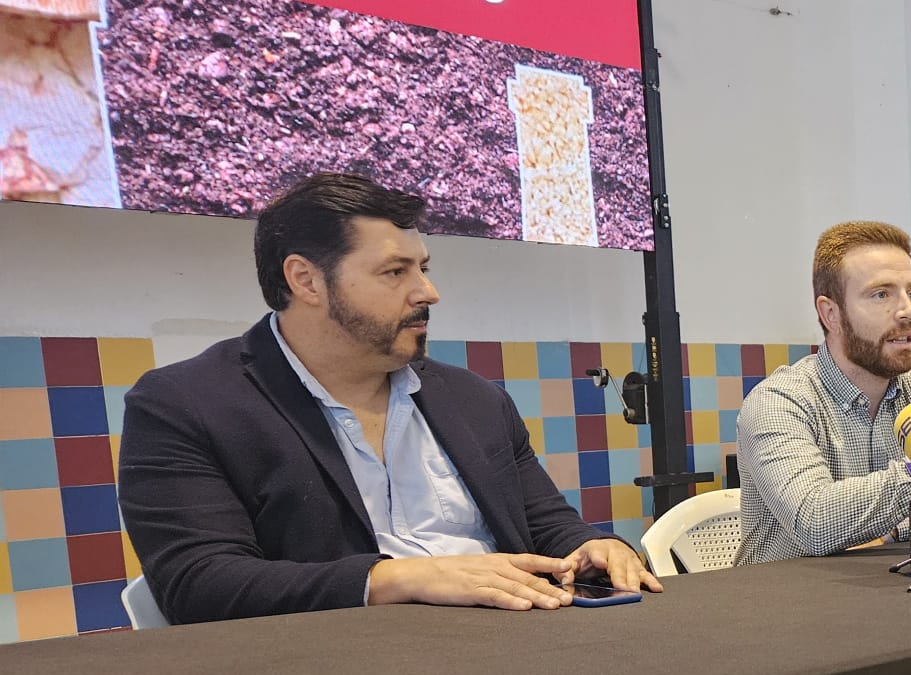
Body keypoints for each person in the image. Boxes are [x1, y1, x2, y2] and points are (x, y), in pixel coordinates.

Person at [117, 172, 658, 625]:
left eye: (423, 267)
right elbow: (200, 585)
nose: (427, 291)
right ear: (306, 280)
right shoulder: (184, 405)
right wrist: (395, 576)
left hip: (517, 650)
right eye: (395, 272)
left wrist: (594, 546)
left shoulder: (476, 401)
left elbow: (548, 526)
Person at [734, 220, 911, 565]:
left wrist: (894, 531)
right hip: (791, 605)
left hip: (896, 596)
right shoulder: (778, 402)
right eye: (881, 294)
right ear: (831, 313)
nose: (907, 311)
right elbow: (815, 522)